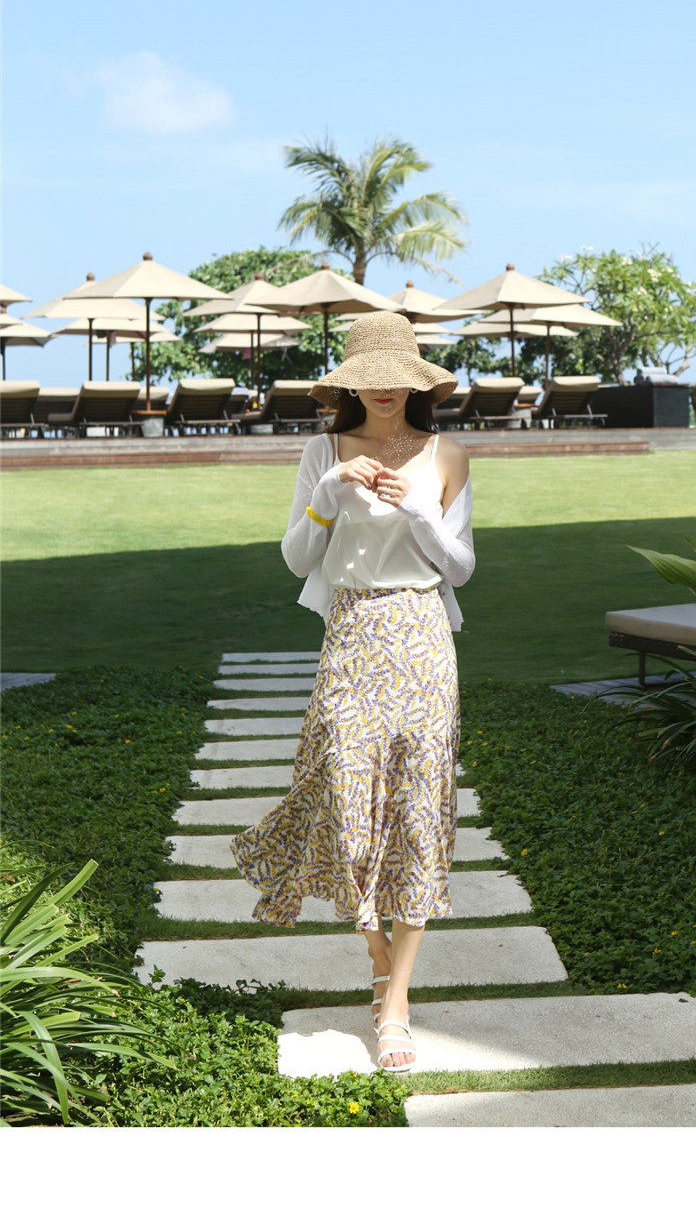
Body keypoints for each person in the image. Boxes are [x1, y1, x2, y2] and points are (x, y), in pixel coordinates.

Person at [230, 311, 475, 1073]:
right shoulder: (323, 451)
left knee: (418, 807)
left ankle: (395, 999)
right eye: (369, 379)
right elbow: (297, 556)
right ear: (349, 385)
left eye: (396, 378)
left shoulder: (447, 453)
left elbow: (460, 567)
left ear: (415, 381)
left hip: (422, 635)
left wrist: (417, 509)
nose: (384, 390)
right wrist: (330, 492)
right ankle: (376, 953)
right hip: (352, 633)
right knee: (343, 795)